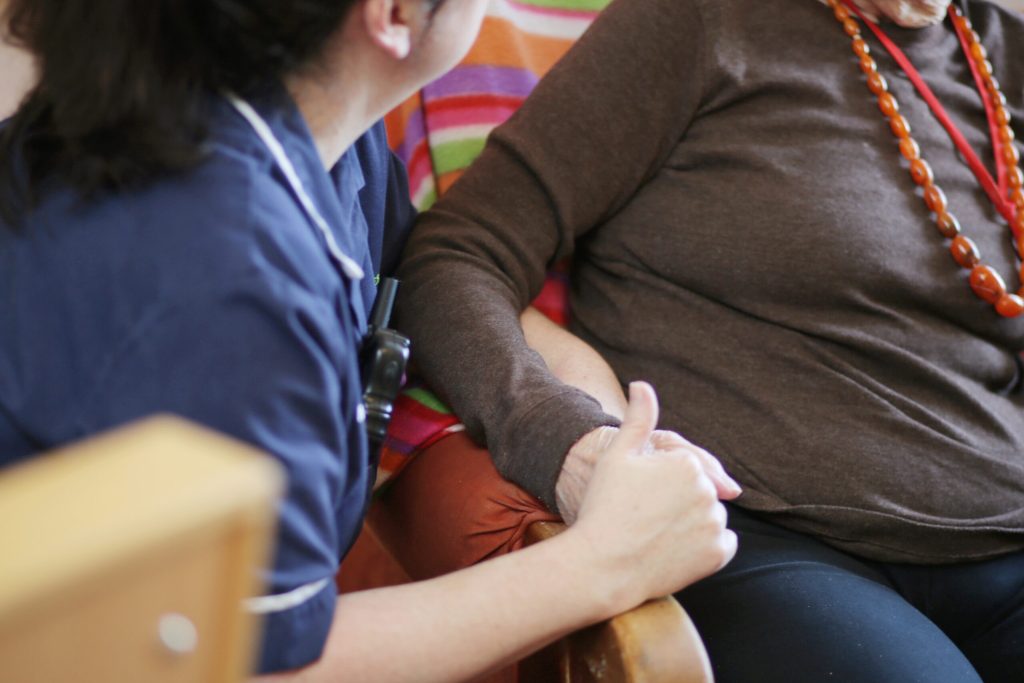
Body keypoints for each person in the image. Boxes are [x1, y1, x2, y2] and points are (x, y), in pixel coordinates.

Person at [0, 0, 739, 680]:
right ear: (392, 14)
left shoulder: (317, 143)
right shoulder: (229, 270)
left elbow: (420, 280)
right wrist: (603, 563)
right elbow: (257, 666)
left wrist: (583, 437)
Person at [394, 0, 1024, 680]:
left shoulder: (1004, 51)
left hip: (1004, 527)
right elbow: (454, 255)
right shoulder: (700, 19)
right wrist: (565, 442)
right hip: (761, 535)